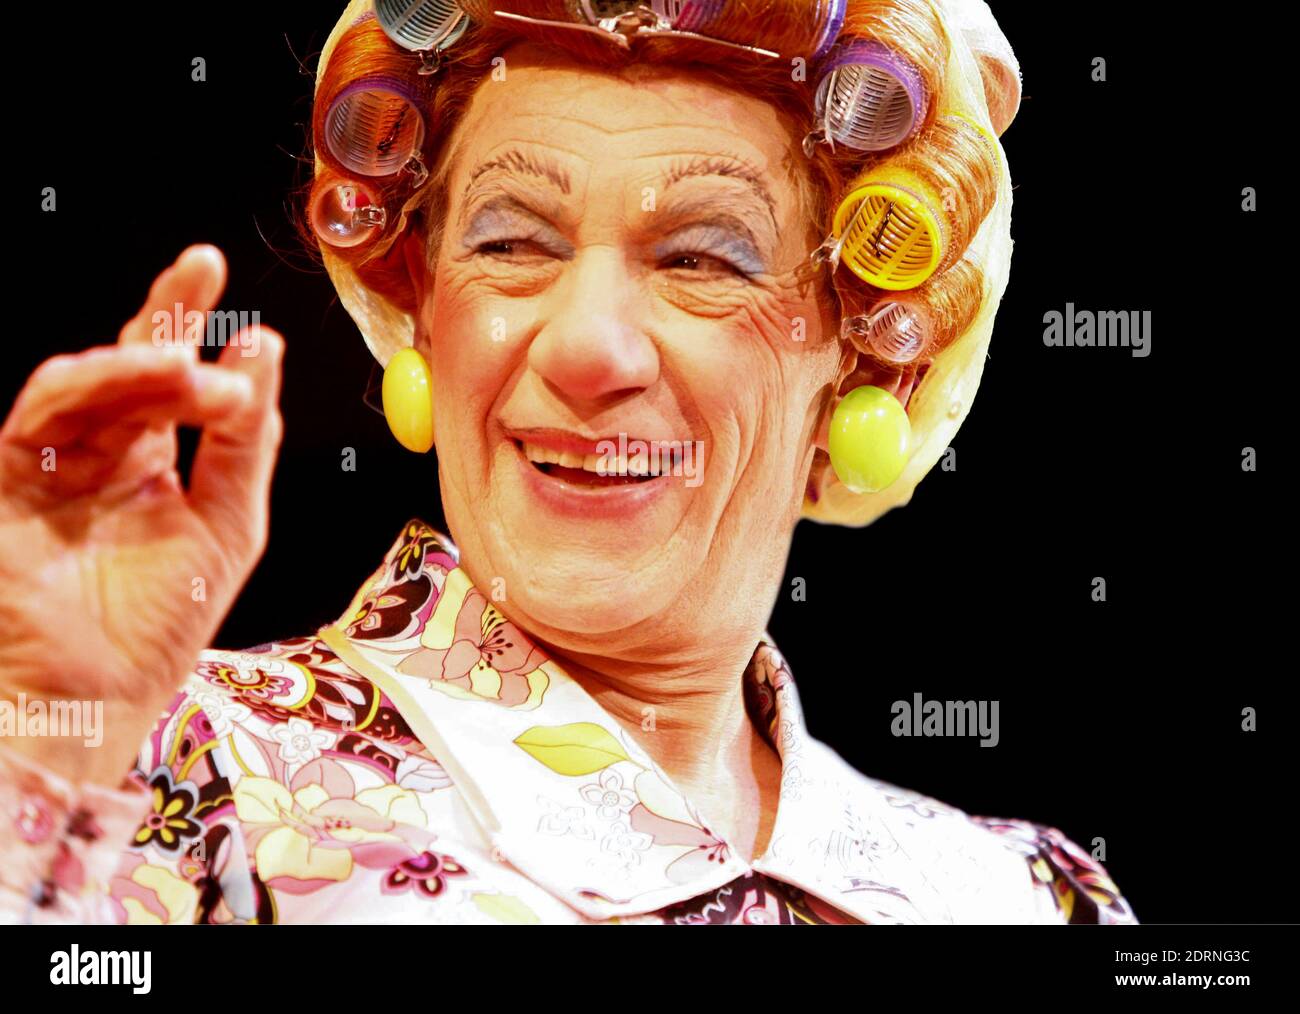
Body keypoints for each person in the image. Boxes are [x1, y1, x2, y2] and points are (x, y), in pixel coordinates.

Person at [0, 0, 1134, 925]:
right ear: (422, 306)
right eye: (509, 242)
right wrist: (44, 744)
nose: (588, 348)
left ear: (858, 357)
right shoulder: (174, 777)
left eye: (702, 258)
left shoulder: (1024, 899)